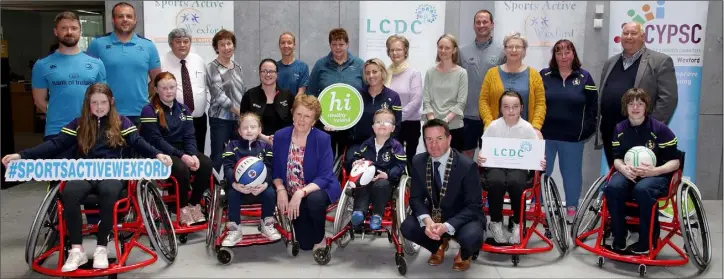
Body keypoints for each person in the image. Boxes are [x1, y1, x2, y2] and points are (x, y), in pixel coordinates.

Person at [1, 83, 172, 272]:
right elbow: (55, 145)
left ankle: (101, 248)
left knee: (109, 191)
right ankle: (77, 250)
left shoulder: (122, 122)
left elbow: (138, 142)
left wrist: (157, 154)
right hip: (84, 173)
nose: (99, 107)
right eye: (94, 103)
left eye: (103, 102)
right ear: (88, 104)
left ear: (111, 102)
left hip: (112, 174)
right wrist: (22, 156)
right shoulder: (78, 123)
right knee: (69, 193)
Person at [400, 119, 484, 272]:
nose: (434, 144)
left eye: (439, 138)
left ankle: (465, 254)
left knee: (472, 238)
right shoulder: (418, 161)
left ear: (449, 138)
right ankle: (438, 245)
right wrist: (427, 221)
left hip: (462, 217)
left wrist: (446, 226)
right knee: (407, 227)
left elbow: (474, 206)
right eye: (429, 139)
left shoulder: (467, 166)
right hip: (434, 215)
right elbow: (416, 199)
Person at [604, 88, 681, 255]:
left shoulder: (660, 129)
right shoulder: (619, 128)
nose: (635, 107)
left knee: (643, 189)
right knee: (612, 187)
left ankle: (647, 241)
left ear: (646, 106)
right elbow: (616, 158)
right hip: (629, 173)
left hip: (657, 175)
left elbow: (675, 162)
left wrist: (655, 171)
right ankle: (619, 236)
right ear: (626, 107)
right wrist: (623, 168)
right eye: (631, 104)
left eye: (640, 103)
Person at [595, 22, 678, 168]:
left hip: (639, 133)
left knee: (640, 180)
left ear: (643, 37)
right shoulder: (611, 62)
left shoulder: (660, 61)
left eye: (633, 33)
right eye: (625, 33)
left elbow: (668, 99)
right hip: (611, 132)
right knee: (617, 176)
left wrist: (649, 128)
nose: (628, 37)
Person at [139, 72, 213, 226]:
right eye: (164, 88)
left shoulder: (184, 109)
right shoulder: (148, 110)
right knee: (181, 168)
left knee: (205, 163)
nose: (169, 91)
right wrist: (182, 156)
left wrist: (192, 154)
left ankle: (194, 204)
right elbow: (155, 140)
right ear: (156, 89)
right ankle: (182, 208)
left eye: (172, 87)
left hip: (181, 151)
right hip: (158, 153)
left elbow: (189, 136)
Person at [272, 94, 341, 255]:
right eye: (299, 114)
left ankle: (321, 238)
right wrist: (280, 189)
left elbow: (324, 176)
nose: (302, 120)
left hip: (318, 188)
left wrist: (300, 192)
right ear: (292, 113)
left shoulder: (322, 138)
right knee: (304, 244)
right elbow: (275, 170)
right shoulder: (281, 136)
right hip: (292, 190)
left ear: (314, 121)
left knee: (315, 200)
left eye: (307, 116)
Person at [32, 11, 106, 157]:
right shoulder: (42, 65)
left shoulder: (96, 63)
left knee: (90, 178)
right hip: (57, 132)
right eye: (64, 28)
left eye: (73, 28)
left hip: (90, 131)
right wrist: (59, 112)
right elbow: (39, 101)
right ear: (56, 31)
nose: (69, 32)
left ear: (80, 31)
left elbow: (103, 99)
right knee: (59, 179)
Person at [477, 91, 546, 244]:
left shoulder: (528, 129)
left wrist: (540, 161)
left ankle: (517, 222)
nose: (511, 111)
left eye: (515, 107)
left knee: (516, 182)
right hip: (497, 167)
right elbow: (485, 149)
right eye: (506, 107)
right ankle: (495, 222)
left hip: (519, 168)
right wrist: (481, 156)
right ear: (501, 108)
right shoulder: (493, 127)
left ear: (521, 108)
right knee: (495, 181)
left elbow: (537, 154)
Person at [539, 39, 598, 220]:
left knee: (571, 175)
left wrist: (586, 131)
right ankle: (539, 207)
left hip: (573, 138)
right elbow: (536, 103)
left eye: (567, 52)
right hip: (545, 136)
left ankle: (571, 208)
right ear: (554, 56)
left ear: (574, 54)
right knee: (541, 174)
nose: (563, 56)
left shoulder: (585, 77)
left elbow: (593, 107)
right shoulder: (544, 75)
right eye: (559, 53)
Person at [87, 2, 161, 125]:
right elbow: (89, 79)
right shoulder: (97, 44)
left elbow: (157, 80)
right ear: (113, 20)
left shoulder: (148, 46)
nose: (125, 20)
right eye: (120, 16)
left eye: (129, 16)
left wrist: (143, 96)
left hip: (140, 113)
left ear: (135, 20)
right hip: (105, 113)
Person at [221, 113, 281, 246]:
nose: (249, 130)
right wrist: (235, 184)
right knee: (232, 193)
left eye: (253, 127)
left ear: (259, 130)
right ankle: (235, 229)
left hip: (260, 189)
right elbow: (228, 168)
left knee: (270, 192)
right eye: (245, 127)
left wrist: (265, 184)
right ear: (239, 131)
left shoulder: (266, 147)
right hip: (239, 188)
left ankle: (266, 223)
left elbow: (270, 168)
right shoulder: (232, 146)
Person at [308, 28, 364, 158]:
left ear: (347, 44)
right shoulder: (320, 65)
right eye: (334, 44)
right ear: (330, 45)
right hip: (326, 124)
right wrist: (318, 118)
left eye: (341, 44)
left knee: (350, 159)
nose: (338, 48)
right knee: (326, 159)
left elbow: (366, 92)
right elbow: (311, 94)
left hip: (353, 123)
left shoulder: (360, 64)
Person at [479, 32, 546, 139]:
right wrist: (489, 123)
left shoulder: (534, 75)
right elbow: (483, 101)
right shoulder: (491, 73)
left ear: (524, 51)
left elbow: (540, 104)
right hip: (496, 134)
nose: (514, 50)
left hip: (525, 134)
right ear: (505, 50)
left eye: (518, 47)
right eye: (510, 47)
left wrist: (536, 127)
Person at [348, 109, 406, 230]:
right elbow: (357, 156)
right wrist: (356, 162)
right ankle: (359, 212)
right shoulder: (366, 144)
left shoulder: (396, 146)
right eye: (378, 122)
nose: (382, 124)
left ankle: (377, 215)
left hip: (385, 179)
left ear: (393, 128)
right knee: (361, 184)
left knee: (381, 185)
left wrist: (388, 174)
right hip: (367, 177)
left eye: (386, 121)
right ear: (373, 127)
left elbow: (400, 165)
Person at [458, 9, 505, 158]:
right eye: (478, 22)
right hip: (468, 114)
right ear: (473, 26)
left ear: (492, 24)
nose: (481, 25)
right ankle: (467, 182)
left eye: (485, 22)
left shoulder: (503, 51)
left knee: (490, 157)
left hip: (493, 116)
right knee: (466, 155)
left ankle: (486, 183)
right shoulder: (462, 51)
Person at [160, 28, 208, 153]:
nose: (182, 45)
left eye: (186, 41)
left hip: (198, 120)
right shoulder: (162, 62)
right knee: (178, 156)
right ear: (171, 44)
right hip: (173, 120)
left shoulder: (198, 60)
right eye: (178, 41)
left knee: (198, 156)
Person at [346, 58, 402, 165]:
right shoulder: (357, 96)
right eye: (367, 73)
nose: (371, 75)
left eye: (375, 71)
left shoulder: (393, 97)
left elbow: (397, 125)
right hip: (358, 144)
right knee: (354, 166)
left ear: (382, 73)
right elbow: (348, 119)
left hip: (384, 144)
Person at [206, 29, 246, 172]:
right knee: (218, 157)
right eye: (222, 44)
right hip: (220, 119)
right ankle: (211, 191)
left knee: (238, 156)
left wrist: (244, 115)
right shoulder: (212, 67)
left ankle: (233, 188)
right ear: (216, 48)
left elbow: (242, 93)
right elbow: (219, 95)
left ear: (233, 45)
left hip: (238, 120)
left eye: (229, 43)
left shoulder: (238, 67)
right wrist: (241, 113)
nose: (226, 47)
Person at [422, 34, 468, 152]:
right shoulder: (430, 72)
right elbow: (426, 101)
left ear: (454, 50)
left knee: (454, 167)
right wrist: (433, 122)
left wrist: (444, 123)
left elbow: (460, 103)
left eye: (447, 48)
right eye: (440, 47)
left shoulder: (462, 73)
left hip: (453, 127)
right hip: (431, 127)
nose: (443, 51)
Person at [385, 35, 422, 170]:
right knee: (392, 162)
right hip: (390, 126)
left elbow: (416, 101)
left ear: (405, 51)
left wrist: (397, 118)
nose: (395, 53)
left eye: (398, 49)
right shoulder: (385, 73)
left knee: (410, 163)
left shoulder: (414, 73)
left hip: (410, 124)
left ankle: (411, 190)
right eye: (392, 50)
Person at [239, 58, 294, 139]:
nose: (268, 74)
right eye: (264, 71)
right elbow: (244, 124)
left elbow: (294, 122)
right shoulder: (249, 95)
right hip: (256, 143)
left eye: (271, 71)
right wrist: (263, 138)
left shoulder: (288, 96)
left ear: (277, 74)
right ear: (259, 74)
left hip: (283, 141)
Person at [277, 32, 310, 96]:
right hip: (276, 105)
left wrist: (292, 106)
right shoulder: (274, 67)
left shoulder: (303, 67)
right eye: (283, 43)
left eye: (289, 43)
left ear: (294, 45)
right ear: (279, 45)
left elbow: (301, 93)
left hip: (295, 105)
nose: (286, 46)